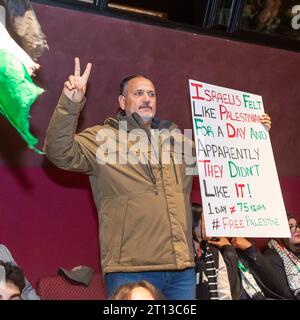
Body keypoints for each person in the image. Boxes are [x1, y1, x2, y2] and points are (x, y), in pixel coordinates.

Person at [43, 57, 272, 299]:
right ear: (122, 101)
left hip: (181, 270)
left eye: (151, 94)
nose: (146, 98)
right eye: (138, 93)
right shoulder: (103, 138)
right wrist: (71, 103)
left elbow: (222, 156)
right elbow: (58, 152)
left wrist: (253, 133)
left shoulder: (178, 141)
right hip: (130, 269)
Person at [210, 237, 285, 299]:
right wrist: (228, 250)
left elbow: (274, 282)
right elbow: (226, 289)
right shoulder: (212, 253)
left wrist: (249, 248)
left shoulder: (242, 246)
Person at [192, 203, 232, 300]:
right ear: (193, 222)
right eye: (207, 221)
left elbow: (224, 295)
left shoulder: (214, 253)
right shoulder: (182, 255)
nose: (213, 224)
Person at [264, 214, 300, 300]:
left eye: (297, 226)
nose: (297, 229)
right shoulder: (271, 256)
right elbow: (285, 294)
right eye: (290, 227)